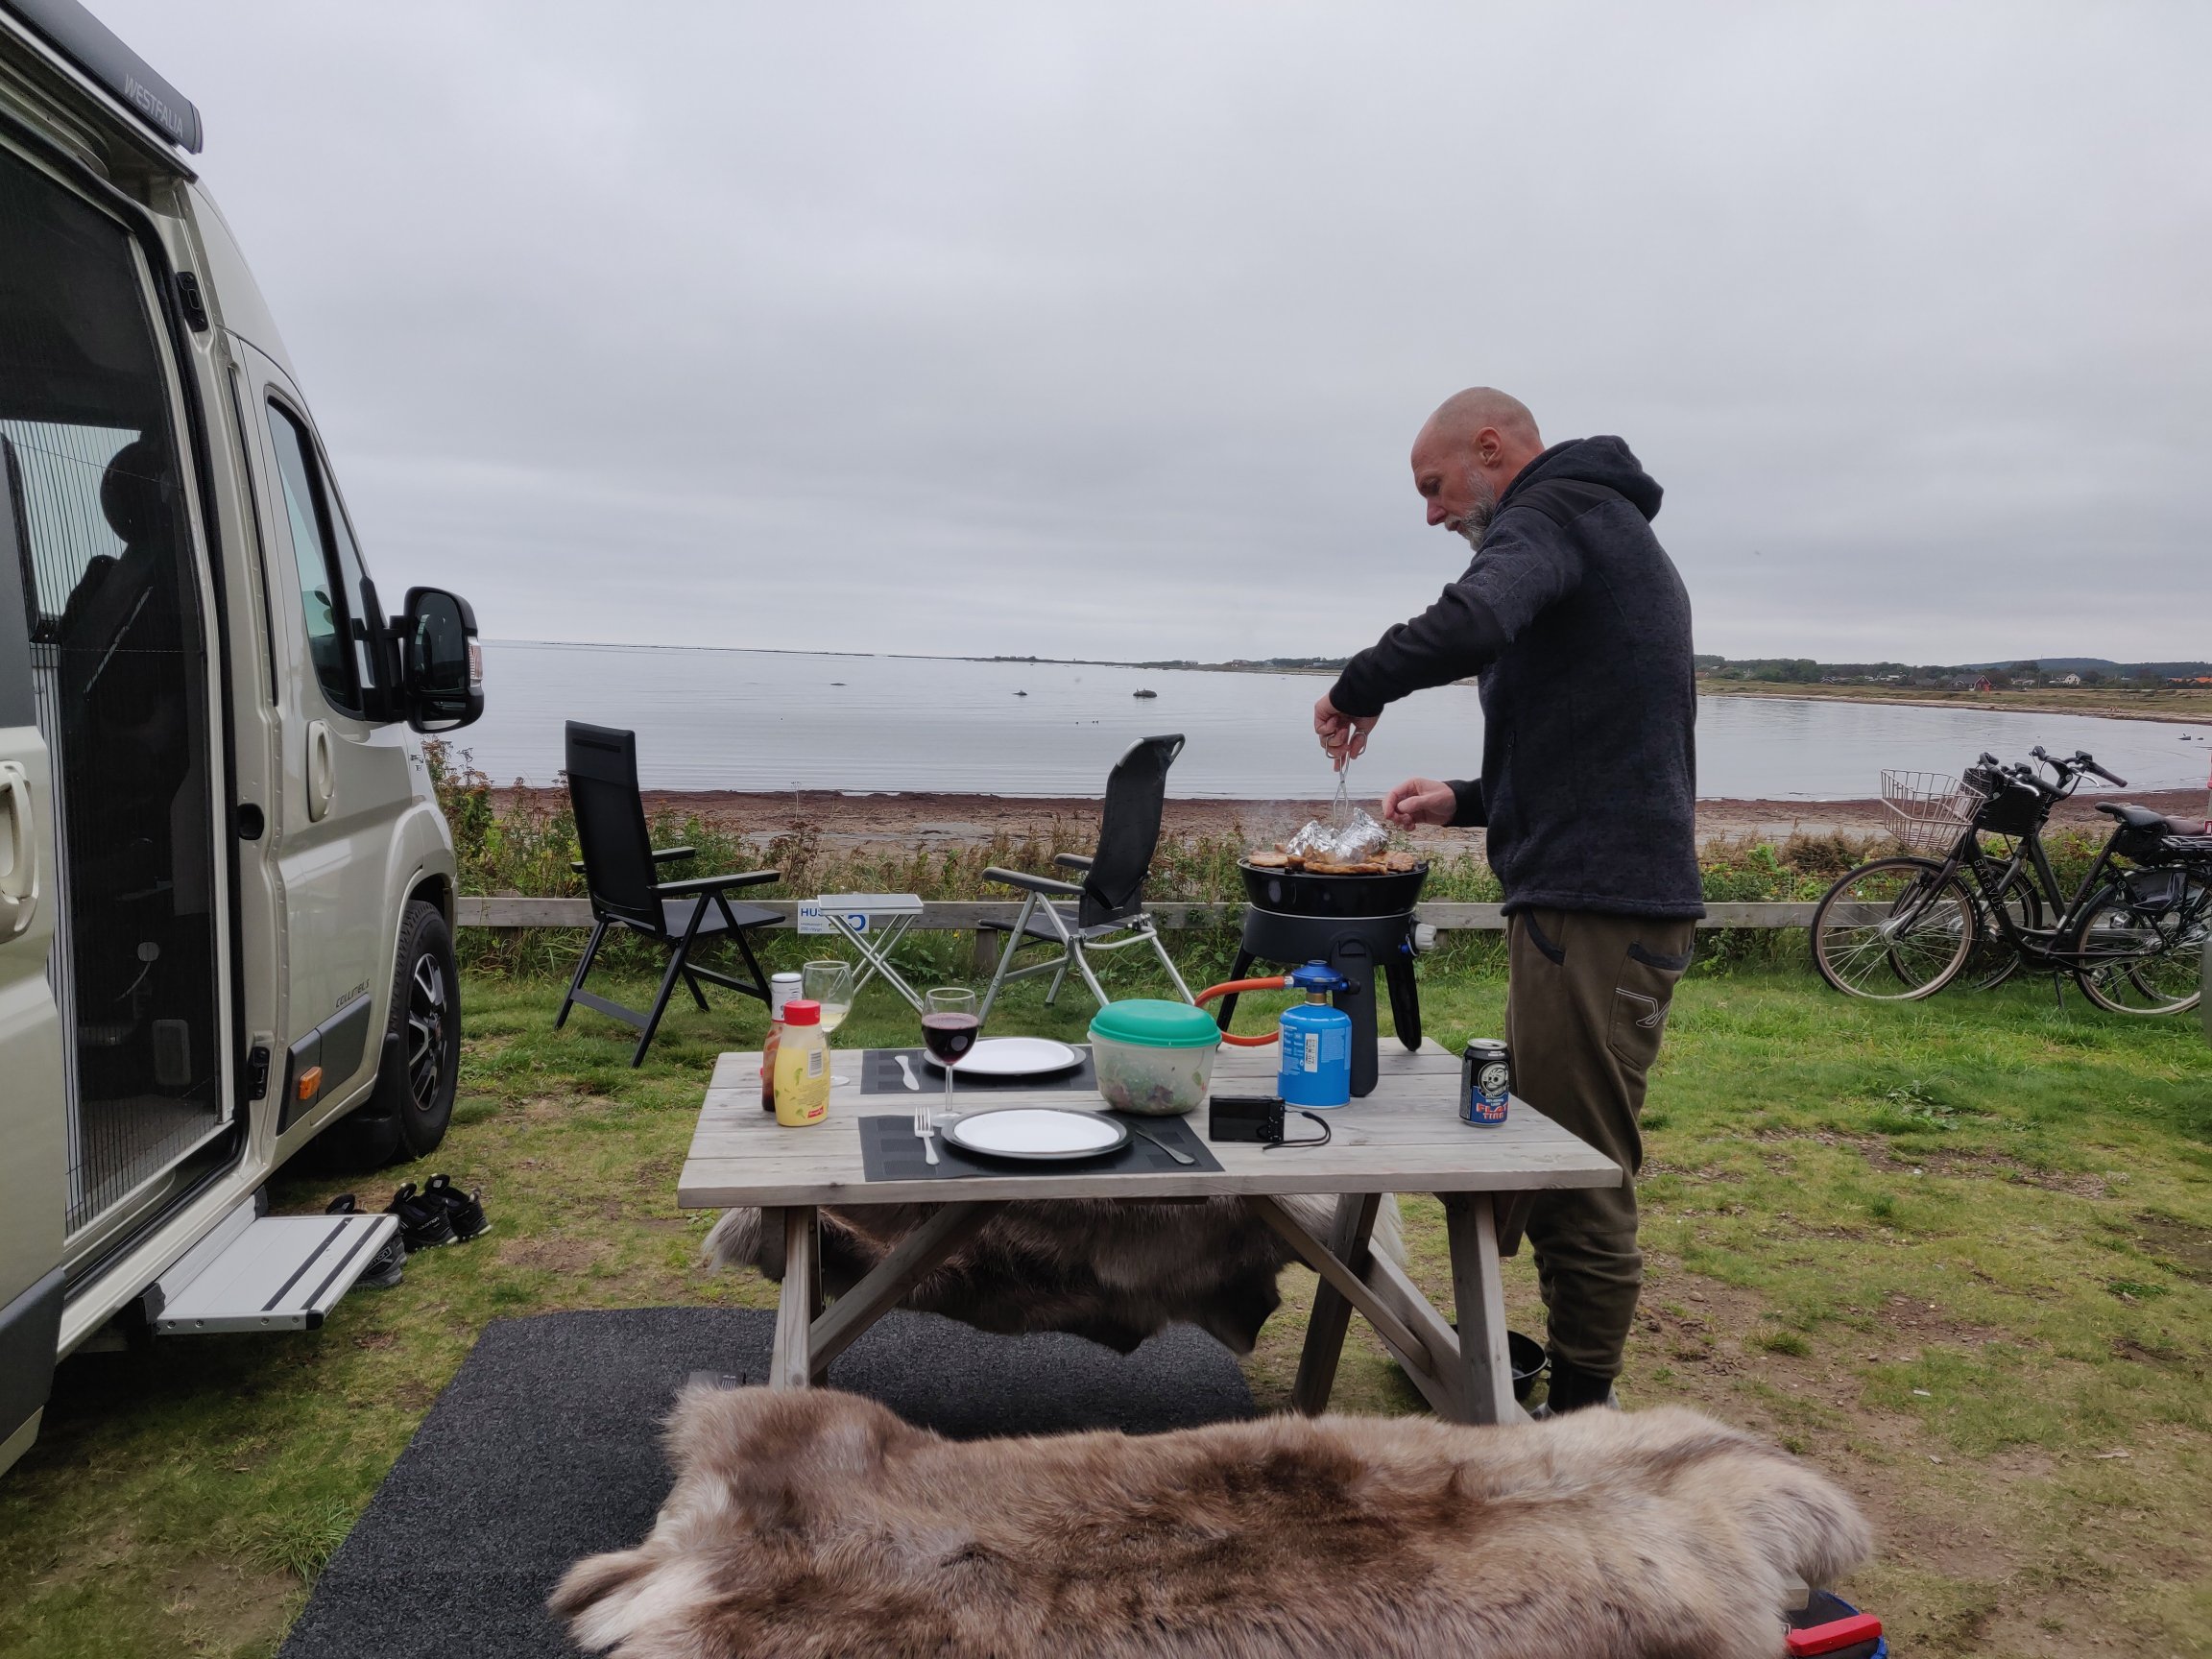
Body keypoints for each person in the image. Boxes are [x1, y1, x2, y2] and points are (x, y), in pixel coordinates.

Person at [1312, 387, 1700, 1414]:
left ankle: (1582, 1419)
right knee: (1541, 1144)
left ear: (1490, 448)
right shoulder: (1595, 525)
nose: (1432, 513)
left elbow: (1476, 617)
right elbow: (1598, 745)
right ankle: (1545, 1384)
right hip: (1591, 898)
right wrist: (1467, 798)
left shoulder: (1556, 511)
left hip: (1598, 909)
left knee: (1577, 1168)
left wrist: (1357, 686)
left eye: (1434, 486)